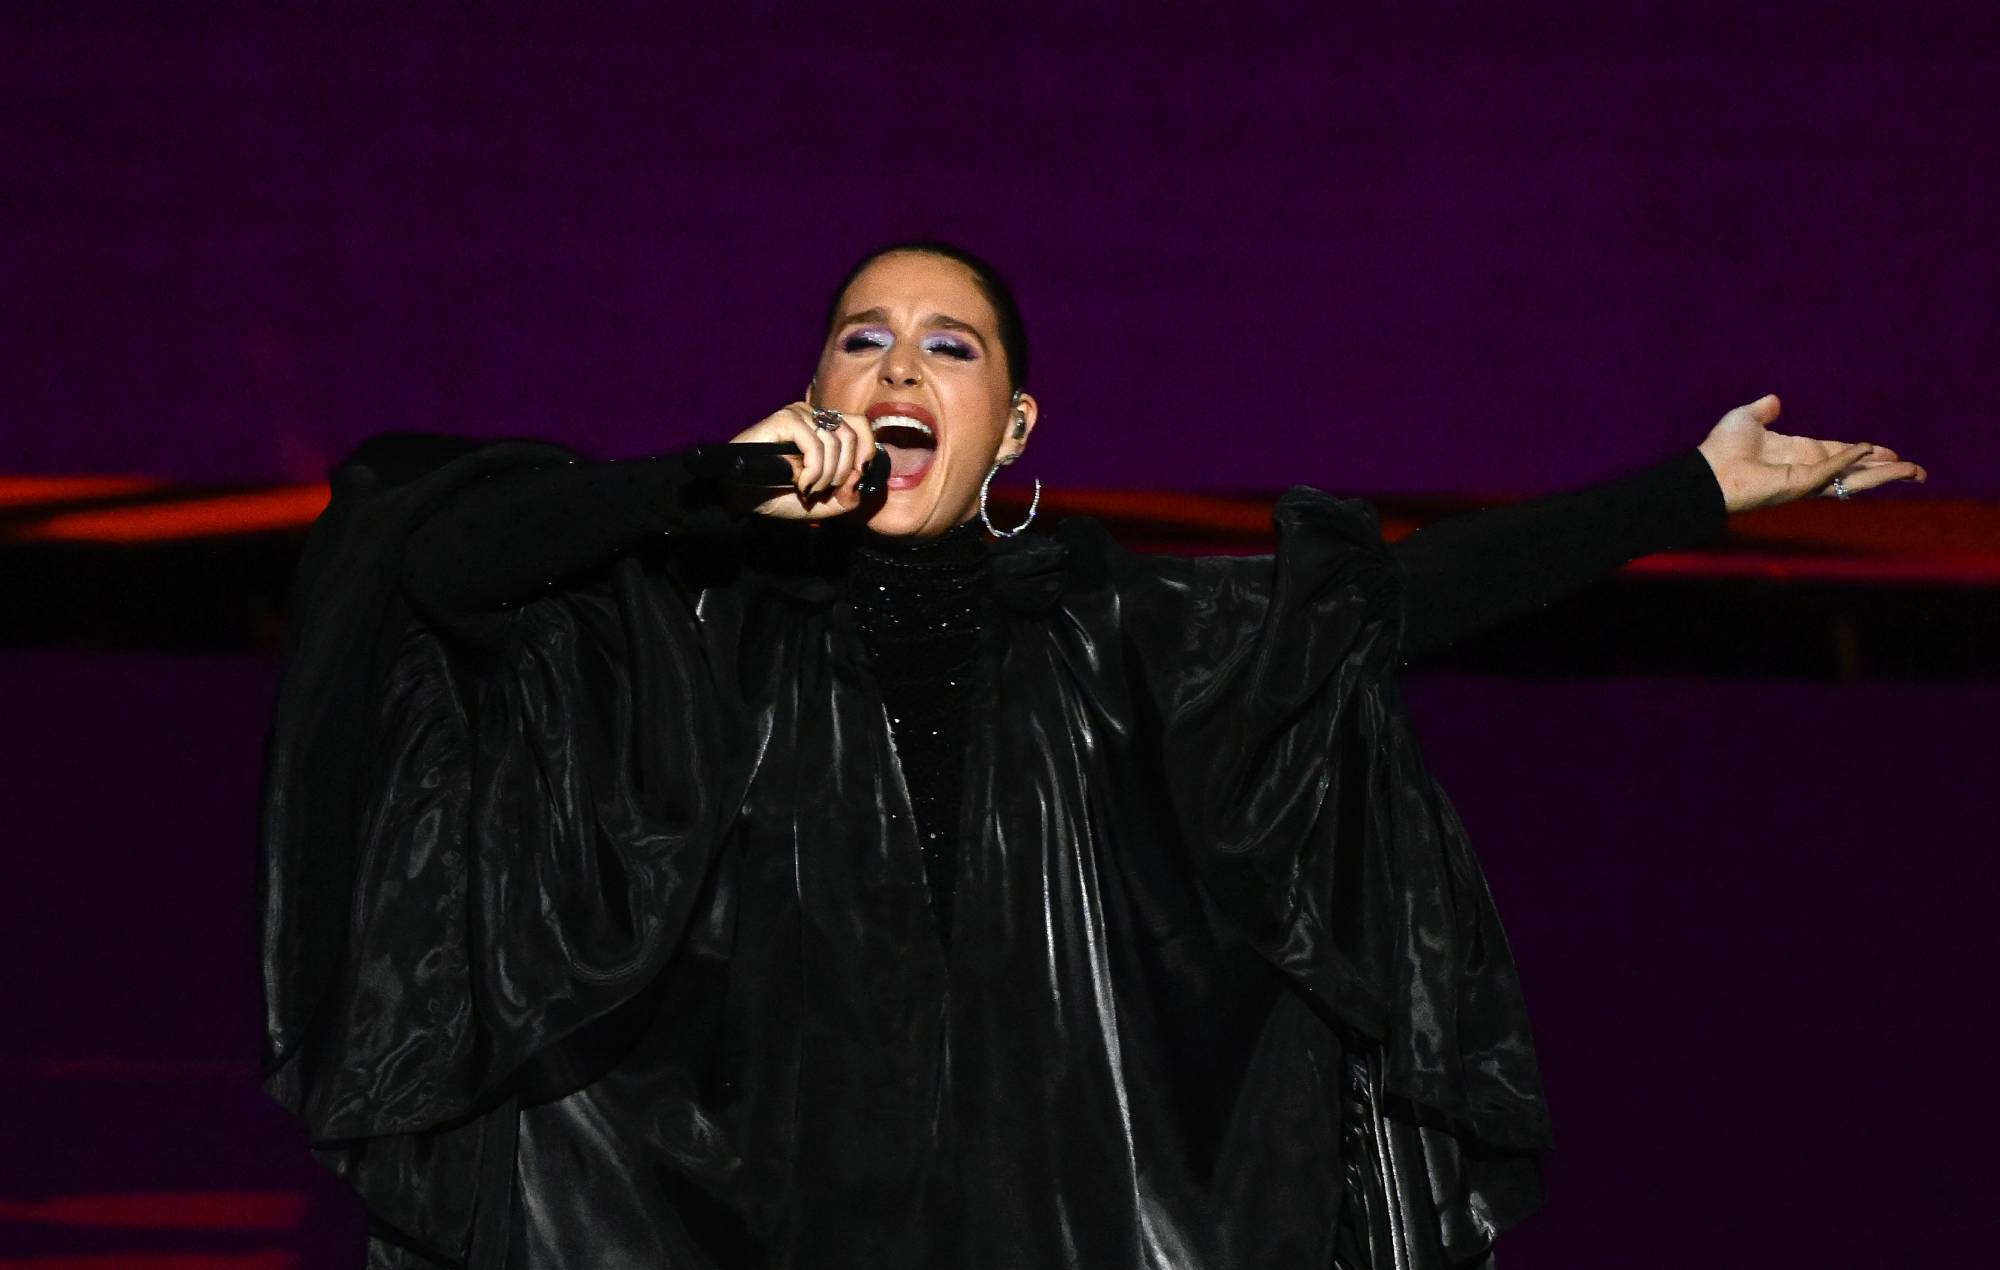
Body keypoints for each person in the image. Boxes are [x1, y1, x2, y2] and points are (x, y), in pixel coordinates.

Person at [257, 241, 1924, 1270]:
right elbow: (439, 564)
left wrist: (1687, 492)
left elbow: (1387, 606)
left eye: (948, 346)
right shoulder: (698, 622)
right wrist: (704, 483)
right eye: (860, 338)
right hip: (744, 1217)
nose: (897, 365)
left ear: (1015, 427)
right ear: (808, 385)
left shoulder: (1112, 629)